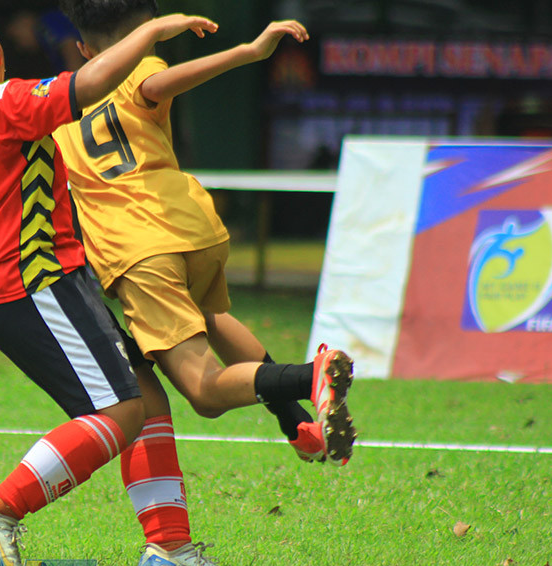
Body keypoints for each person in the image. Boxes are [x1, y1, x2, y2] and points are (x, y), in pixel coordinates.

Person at [0, 0, 233, 566]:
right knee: (121, 411)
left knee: (145, 398)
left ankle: (169, 549)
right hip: (41, 285)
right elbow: (94, 80)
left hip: (12, 296)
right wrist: (150, 30)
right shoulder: (10, 104)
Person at [53, 1, 356, 472]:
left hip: (139, 252)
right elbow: (159, 83)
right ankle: (298, 423)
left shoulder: (63, 102)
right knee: (209, 316)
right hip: (193, 227)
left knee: (204, 392)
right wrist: (247, 52)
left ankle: (311, 376)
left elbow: (154, 83)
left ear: (83, 48)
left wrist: (248, 52)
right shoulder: (145, 63)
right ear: (150, 34)